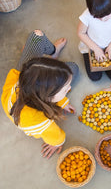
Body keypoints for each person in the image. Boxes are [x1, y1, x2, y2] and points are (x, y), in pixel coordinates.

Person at [1, 30, 79, 159]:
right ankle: (51, 59)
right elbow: (56, 136)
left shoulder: (23, 80)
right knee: (74, 67)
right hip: (32, 72)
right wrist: (56, 143)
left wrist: (62, 101)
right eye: (65, 90)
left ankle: (53, 53)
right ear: (48, 98)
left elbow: (17, 73)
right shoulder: (38, 121)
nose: (69, 88)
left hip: (28, 71)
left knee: (37, 35)